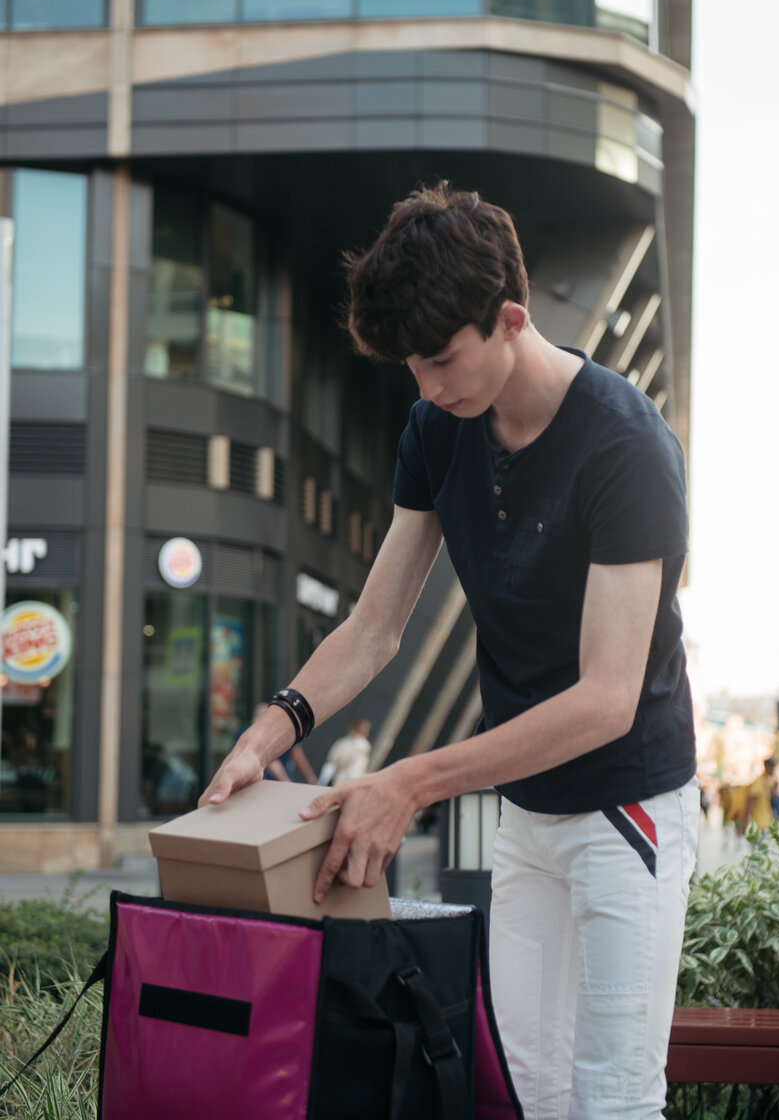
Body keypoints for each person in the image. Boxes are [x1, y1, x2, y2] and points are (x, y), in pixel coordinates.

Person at [200, 182, 698, 1119]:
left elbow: (605, 700)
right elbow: (374, 626)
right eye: (411, 369)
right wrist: (272, 729)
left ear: (510, 318)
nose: (426, 388)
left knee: (612, 1097)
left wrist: (410, 783)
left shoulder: (626, 445)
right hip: (525, 811)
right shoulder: (437, 427)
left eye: (439, 360)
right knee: (522, 1088)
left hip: (626, 807)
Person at [318, 716, 372, 785]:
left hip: (348, 781)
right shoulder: (344, 742)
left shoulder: (363, 745)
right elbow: (332, 761)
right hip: (341, 780)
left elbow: (356, 769)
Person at [742, 756, 776, 834]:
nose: (773, 770)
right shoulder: (759, 782)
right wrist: (744, 823)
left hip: (765, 824)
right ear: (766, 766)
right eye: (772, 767)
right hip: (758, 826)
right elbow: (749, 802)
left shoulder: (766, 781)